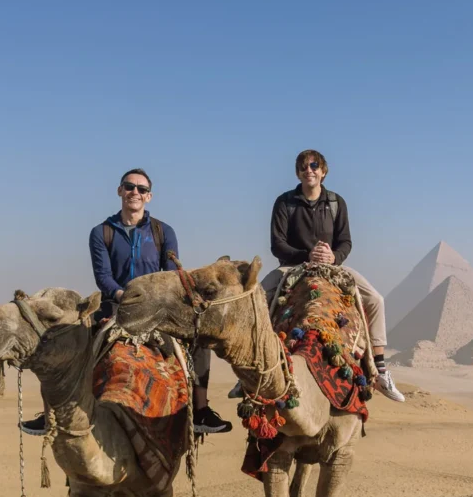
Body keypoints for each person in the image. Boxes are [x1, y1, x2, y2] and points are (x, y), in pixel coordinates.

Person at [20, 168, 232, 436]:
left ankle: (201, 411)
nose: (135, 192)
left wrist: (158, 301)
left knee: (201, 336)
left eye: (141, 189)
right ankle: (52, 413)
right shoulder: (102, 232)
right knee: (64, 339)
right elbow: (103, 277)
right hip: (115, 303)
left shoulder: (163, 232)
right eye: (129, 187)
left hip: (158, 307)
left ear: (149, 197)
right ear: (120, 191)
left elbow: (171, 274)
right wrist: (124, 297)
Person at [230, 149, 403, 402]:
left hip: (332, 267)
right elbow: (277, 244)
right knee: (257, 298)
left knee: (376, 300)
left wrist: (333, 257)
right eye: (303, 166)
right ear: (298, 172)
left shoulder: (335, 203)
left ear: (323, 171)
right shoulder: (285, 202)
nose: (308, 170)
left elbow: (345, 241)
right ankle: (248, 370)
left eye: (314, 165)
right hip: (291, 266)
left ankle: (380, 369)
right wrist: (306, 255)